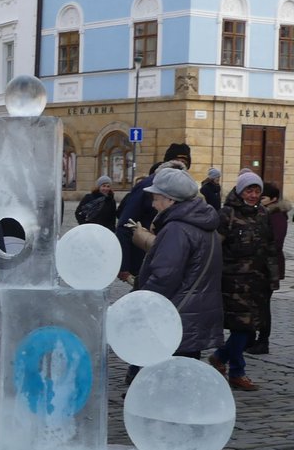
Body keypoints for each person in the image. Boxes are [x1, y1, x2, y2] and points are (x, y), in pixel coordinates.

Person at [125, 168, 222, 386]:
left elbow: (164, 275)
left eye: (156, 198)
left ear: (170, 199)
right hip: (194, 312)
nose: (153, 204)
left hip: (175, 314)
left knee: (163, 379)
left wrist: (143, 303)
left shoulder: (177, 228)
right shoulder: (203, 222)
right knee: (183, 377)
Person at [209, 172, 281, 390]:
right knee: (243, 327)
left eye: (257, 191)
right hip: (233, 282)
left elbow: (270, 247)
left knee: (250, 327)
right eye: (249, 190)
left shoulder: (262, 213)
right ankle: (235, 370)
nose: (253, 195)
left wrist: (273, 277)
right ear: (240, 191)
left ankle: (222, 359)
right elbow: (215, 248)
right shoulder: (227, 214)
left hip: (257, 281)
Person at [116, 142, 191, 281]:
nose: (180, 166)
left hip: (175, 260)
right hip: (145, 257)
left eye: (183, 162)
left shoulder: (188, 189)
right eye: (176, 161)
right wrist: (124, 266)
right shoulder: (148, 186)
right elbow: (124, 224)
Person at [247, 182, 290, 354]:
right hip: (258, 266)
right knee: (254, 303)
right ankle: (250, 338)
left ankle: (263, 341)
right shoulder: (261, 212)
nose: (258, 197)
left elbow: (276, 242)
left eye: (262, 196)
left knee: (263, 305)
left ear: (272, 199)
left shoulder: (276, 215)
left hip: (268, 268)